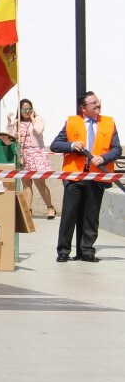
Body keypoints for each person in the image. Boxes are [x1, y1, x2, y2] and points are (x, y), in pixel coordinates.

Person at [50, 92, 120, 263]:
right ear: (83, 108)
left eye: (98, 101)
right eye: (93, 103)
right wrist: (72, 145)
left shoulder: (108, 123)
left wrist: (103, 158)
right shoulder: (72, 123)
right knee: (69, 216)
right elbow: (55, 145)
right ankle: (63, 251)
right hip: (75, 176)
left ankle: (87, 251)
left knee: (91, 216)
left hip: (96, 177)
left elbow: (117, 149)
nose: (97, 105)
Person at [8, 98, 56, 220]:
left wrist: (33, 117)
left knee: (40, 183)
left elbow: (38, 130)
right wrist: (10, 121)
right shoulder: (17, 123)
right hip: (24, 155)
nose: (27, 111)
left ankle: (50, 207)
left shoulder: (38, 120)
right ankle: (27, 209)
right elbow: (10, 137)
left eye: (29, 108)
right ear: (20, 110)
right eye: (24, 109)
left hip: (36, 153)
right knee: (26, 183)